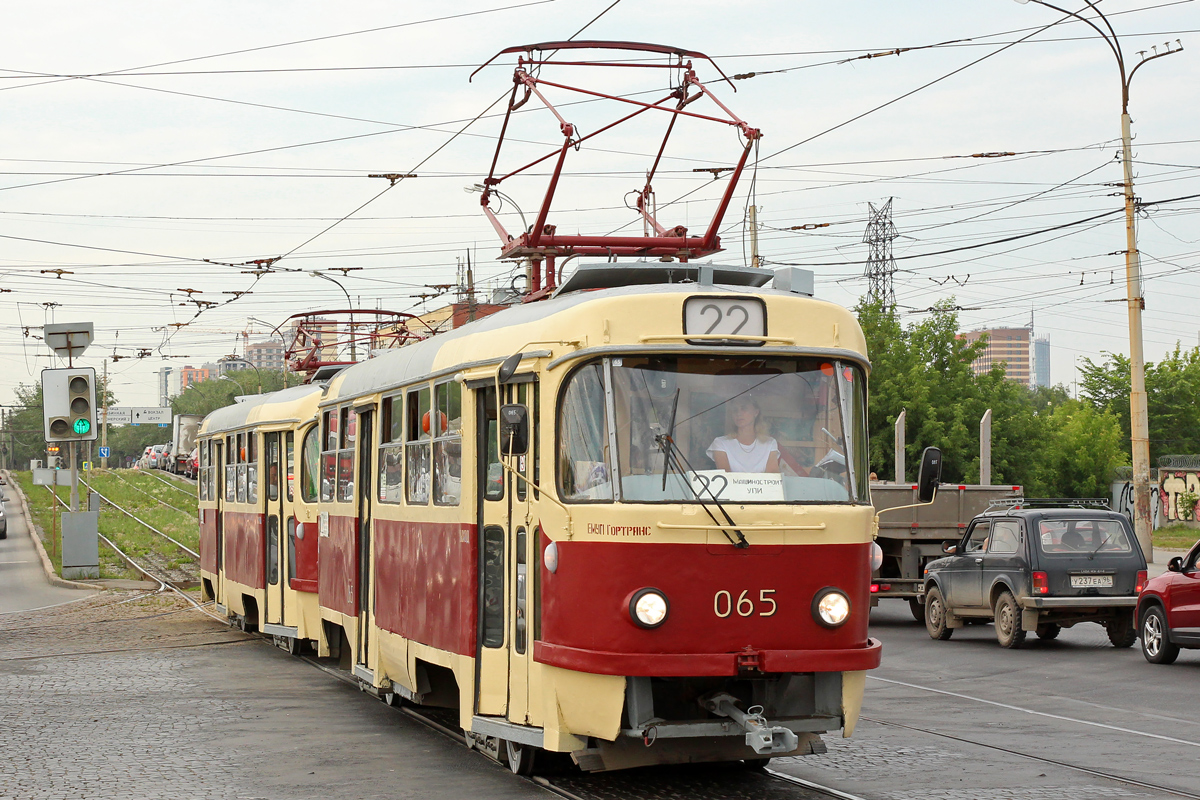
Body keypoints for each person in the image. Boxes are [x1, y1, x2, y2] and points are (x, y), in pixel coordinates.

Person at [706, 394, 780, 473]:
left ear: (756, 412)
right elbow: (726, 478)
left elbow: (772, 480)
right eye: (735, 410)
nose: (739, 413)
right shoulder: (721, 443)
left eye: (744, 408)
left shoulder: (770, 443)